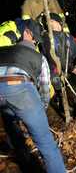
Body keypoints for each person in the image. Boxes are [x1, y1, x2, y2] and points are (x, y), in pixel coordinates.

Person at [0, 19, 66, 173]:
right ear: (35, 39)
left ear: (25, 33)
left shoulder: (4, 49)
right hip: (20, 89)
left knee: (10, 120)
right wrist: (39, 112)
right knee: (47, 146)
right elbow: (44, 90)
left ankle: (23, 158)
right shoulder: (39, 57)